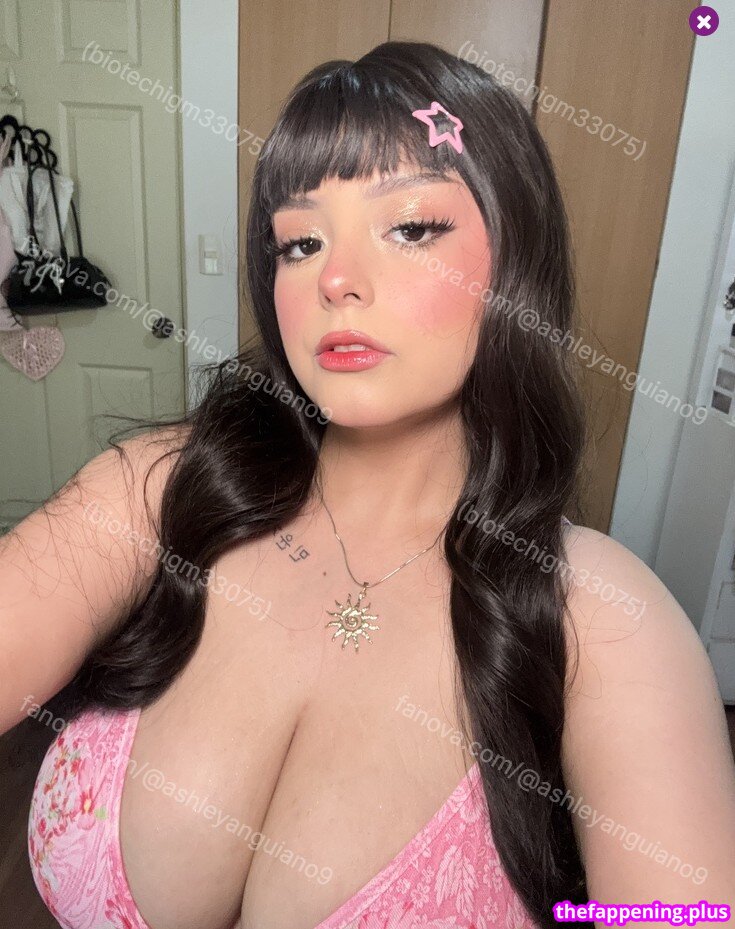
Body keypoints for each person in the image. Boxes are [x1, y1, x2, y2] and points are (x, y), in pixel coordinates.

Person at [2, 40, 734, 929]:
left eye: (411, 227)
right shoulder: (157, 488)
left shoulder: (606, 623)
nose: (336, 280)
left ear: (515, 257)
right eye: (300, 242)